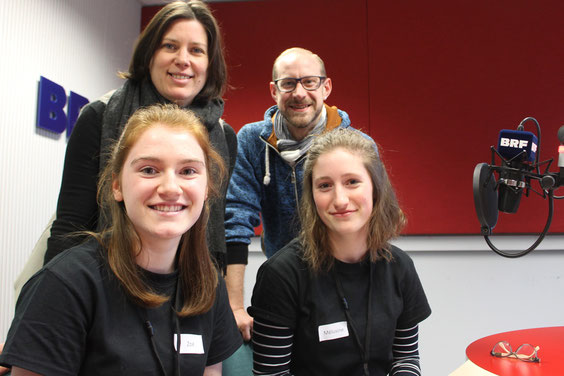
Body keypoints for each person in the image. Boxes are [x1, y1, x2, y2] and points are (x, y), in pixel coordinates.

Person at [0, 104, 242, 375]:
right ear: (117, 186)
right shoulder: (66, 284)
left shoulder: (207, 282)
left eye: (188, 171)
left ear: (207, 187)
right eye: (149, 170)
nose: (171, 188)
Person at [44, 0, 237, 271]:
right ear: (149, 55)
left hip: (189, 281)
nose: (183, 60)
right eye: (170, 46)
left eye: (196, 50)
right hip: (102, 276)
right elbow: (70, 226)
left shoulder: (224, 137)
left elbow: (215, 225)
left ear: (209, 63)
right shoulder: (99, 116)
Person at [248, 129, 431, 375]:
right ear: (311, 197)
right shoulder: (282, 274)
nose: (340, 199)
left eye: (352, 182)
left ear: (376, 187)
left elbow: (406, 358)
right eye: (324, 185)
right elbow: (271, 374)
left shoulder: (399, 266)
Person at [224, 47, 371, 340]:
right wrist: (235, 306)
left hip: (348, 284)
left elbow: (376, 221)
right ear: (273, 90)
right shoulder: (252, 141)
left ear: (326, 87)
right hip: (282, 283)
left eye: (310, 82)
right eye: (288, 83)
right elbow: (235, 220)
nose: (299, 92)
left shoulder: (358, 146)